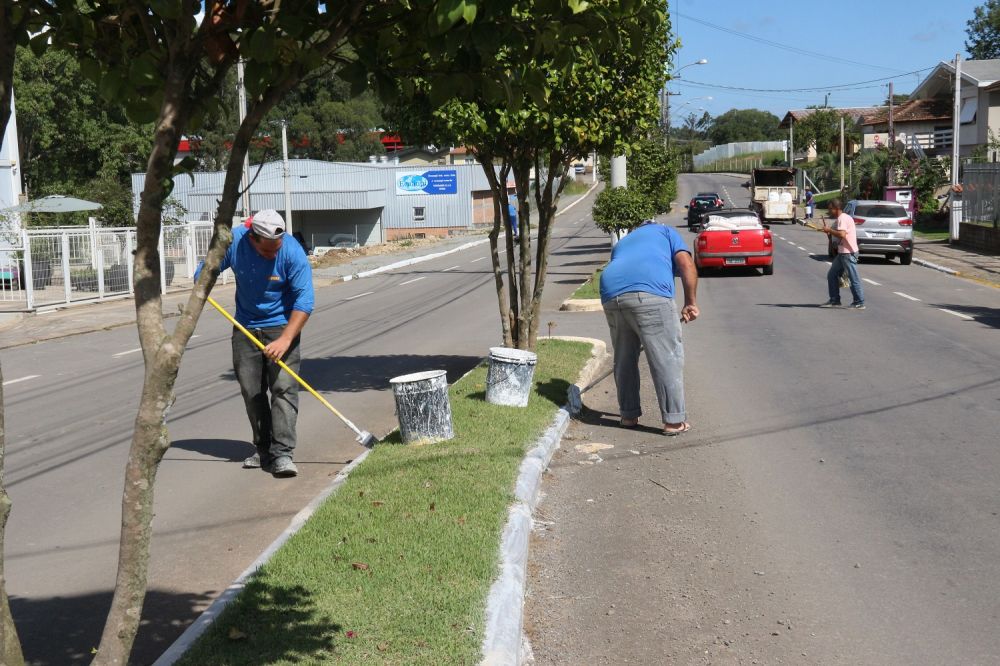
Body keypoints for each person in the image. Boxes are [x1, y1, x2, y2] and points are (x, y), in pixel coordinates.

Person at [209, 210, 314, 477]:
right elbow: (208, 269)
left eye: (276, 249)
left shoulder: (292, 252)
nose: (272, 256)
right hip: (245, 326)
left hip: (282, 325)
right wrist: (202, 280)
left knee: (283, 389)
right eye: (267, 251)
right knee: (251, 392)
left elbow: (304, 301)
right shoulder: (235, 242)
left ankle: (283, 454)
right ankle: (263, 448)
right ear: (253, 239)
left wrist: (285, 339)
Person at [599, 220, 699, 436]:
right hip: (649, 294)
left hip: (610, 293)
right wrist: (690, 302)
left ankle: (628, 415)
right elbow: (686, 264)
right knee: (666, 357)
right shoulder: (666, 232)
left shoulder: (624, 242)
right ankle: (674, 421)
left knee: (624, 357)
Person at [820, 199, 865, 310]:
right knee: (832, 275)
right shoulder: (844, 217)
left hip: (848, 253)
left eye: (830, 209)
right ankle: (835, 300)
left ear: (836, 208)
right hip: (843, 253)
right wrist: (829, 232)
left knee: (853, 278)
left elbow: (842, 234)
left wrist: (829, 230)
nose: (829, 211)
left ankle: (859, 302)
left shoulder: (842, 219)